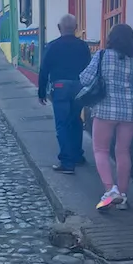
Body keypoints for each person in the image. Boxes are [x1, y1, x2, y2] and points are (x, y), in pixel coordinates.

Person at [80, 23, 133, 210]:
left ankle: (110, 190)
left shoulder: (101, 56)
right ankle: (122, 196)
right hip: (130, 112)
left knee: (100, 150)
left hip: (105, 109)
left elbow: (85, 78)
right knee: (123, 152)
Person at [38, 14, 92, 174]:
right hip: (78, 86)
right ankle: (77, 156)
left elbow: (44, 69)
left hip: (60, 86)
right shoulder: (83, 46)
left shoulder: (52, 46)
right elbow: (88, 67)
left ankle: (67, 163)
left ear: (59, 28)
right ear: (75, 28)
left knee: (62, 124)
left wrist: (41, 91)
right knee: (75, 120)